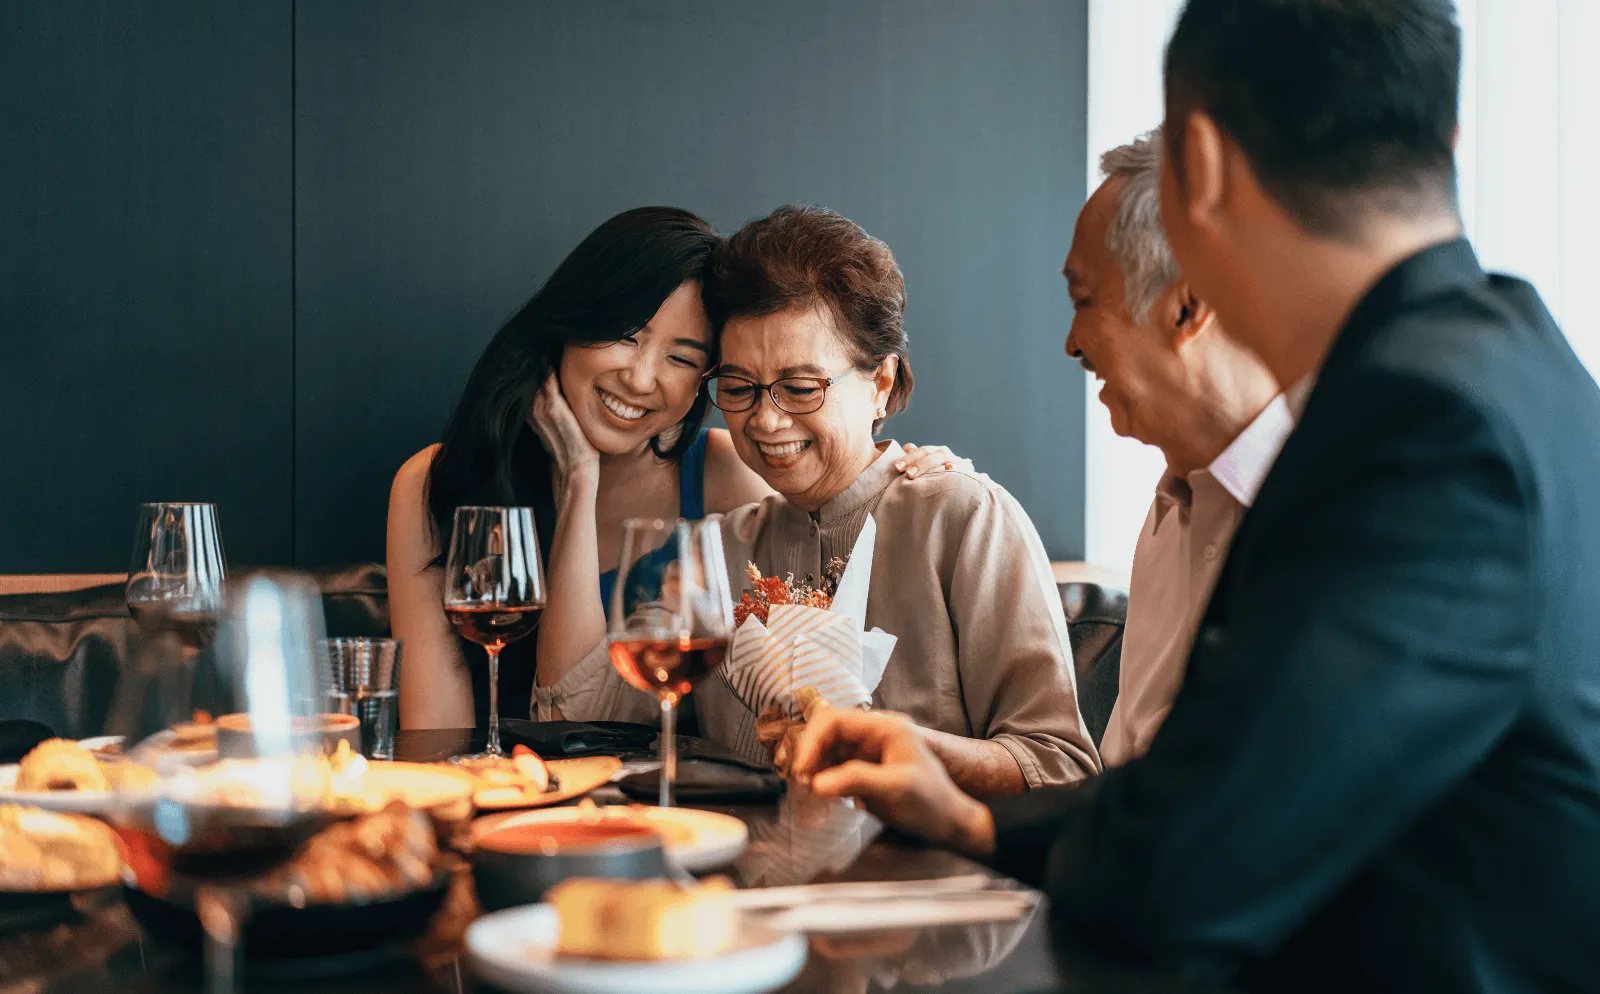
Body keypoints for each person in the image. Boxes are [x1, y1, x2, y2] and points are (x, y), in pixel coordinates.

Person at [788, 1, 1600, 989]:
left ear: (1201, 166)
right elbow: (1245, 775)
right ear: (1444, 137)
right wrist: (964, 812)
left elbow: (1193, 861)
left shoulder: (1416, 424)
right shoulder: (1523, 363)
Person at [387, 206, 964, 731]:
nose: (641, 378)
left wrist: (905, 472)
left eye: (682, 358)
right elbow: (437, 736)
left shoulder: (729, 476)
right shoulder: (433, 482)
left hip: (686, 809)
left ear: (703, 384)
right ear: (568, 325)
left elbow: (834, 566)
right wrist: (577, 480)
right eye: (623, 336)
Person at [704, 205, 1100, 795]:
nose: (765, 418)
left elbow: (1059, 766)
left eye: (801, 387)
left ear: (881, 381)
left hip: (928, 878)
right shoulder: (721, 549)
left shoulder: (963, 521)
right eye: (738, 388)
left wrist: (895, 743)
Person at [1064, 129, 1287, 767]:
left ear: (1188, 306)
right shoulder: (1170, 511)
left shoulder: (1326, 507)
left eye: (1085, 300)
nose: (1072, 344)